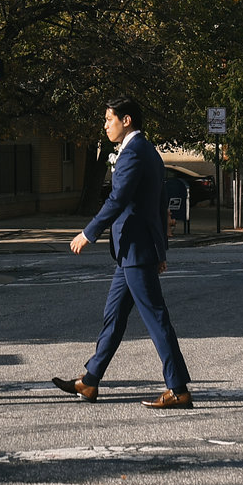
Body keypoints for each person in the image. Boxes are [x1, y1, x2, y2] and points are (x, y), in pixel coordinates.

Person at [52, 97, 192, 408]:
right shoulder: (149, 151)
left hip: (136, 250)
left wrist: (89, 233)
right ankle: (90, 381)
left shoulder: (133, 153)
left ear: (126, 120)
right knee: (113, 318)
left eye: (108, 119)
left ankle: (178, 388)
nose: (105, 125)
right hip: (135, 251)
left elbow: (117, 200)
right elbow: (158, 204)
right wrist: (162, 248)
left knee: (157, 320)